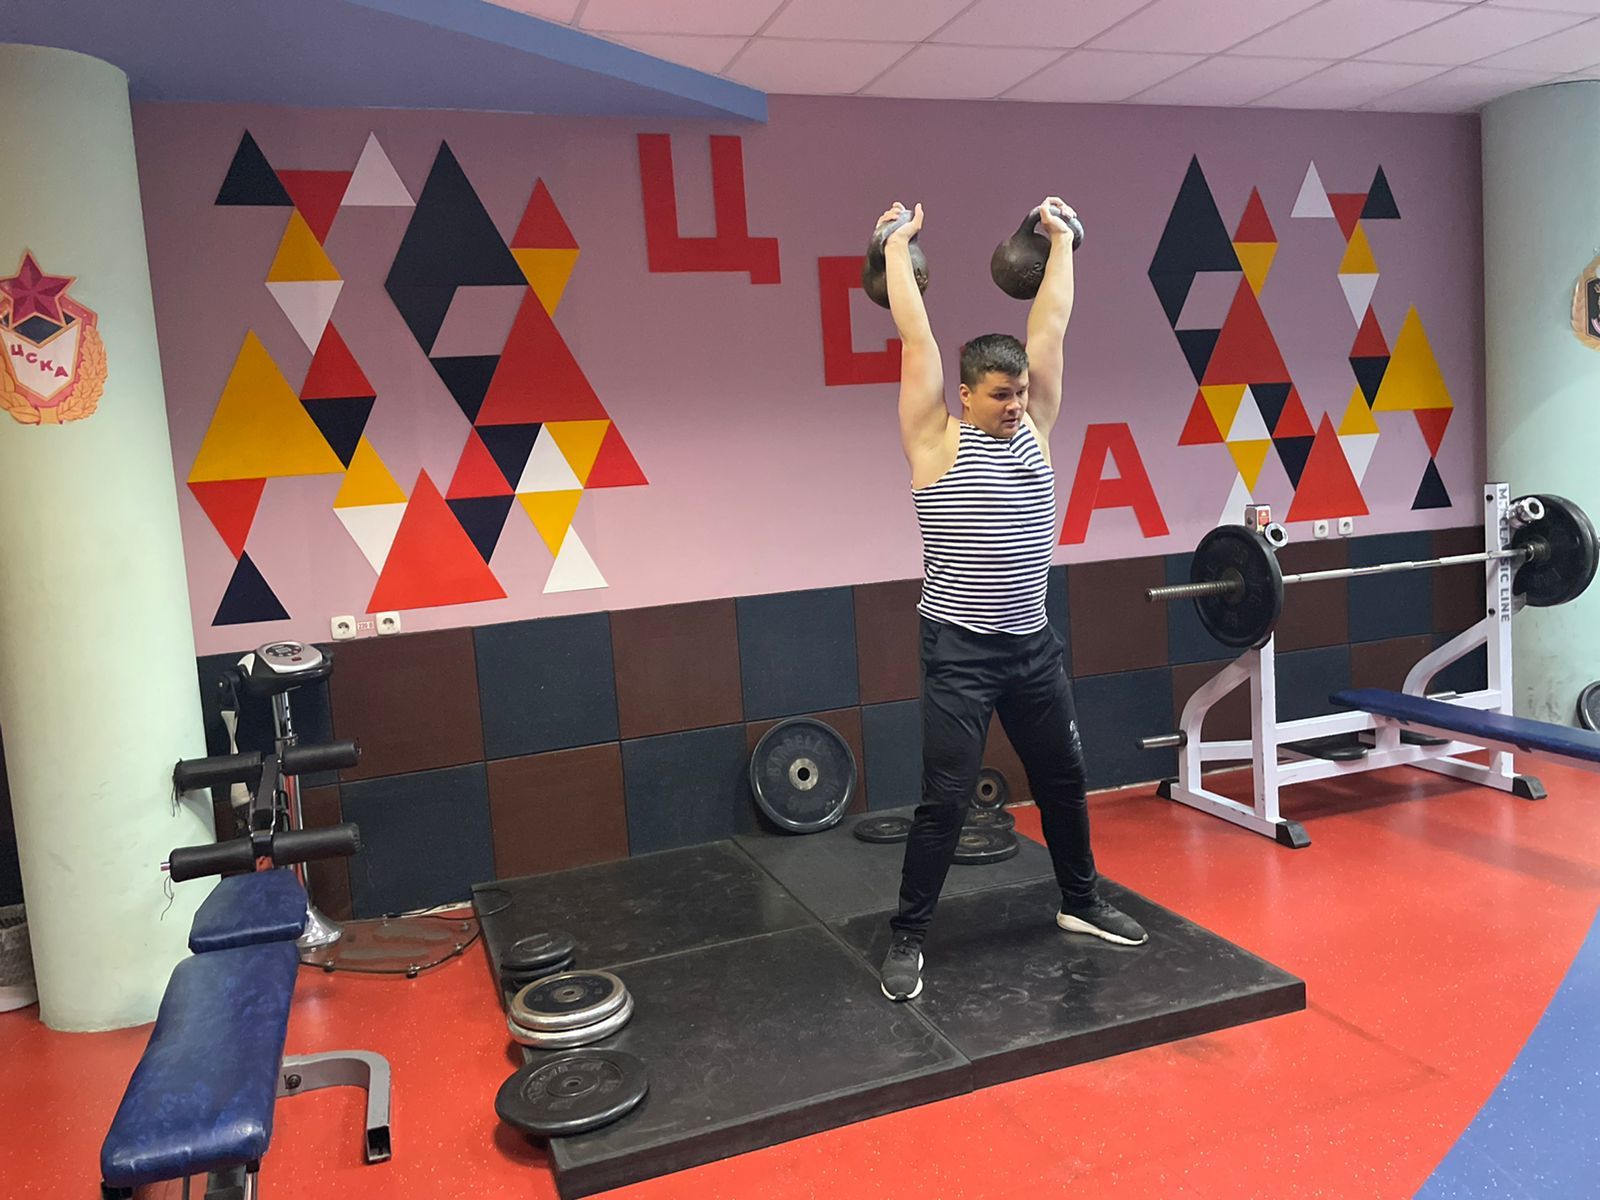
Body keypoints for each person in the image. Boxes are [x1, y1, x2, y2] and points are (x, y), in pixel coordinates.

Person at [874, 198, 1147, 1003]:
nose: (1017, 404)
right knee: (946, 800)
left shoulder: (1038, 429)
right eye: (1000, 395)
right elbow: (917, 338)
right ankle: (909, 936)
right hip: (959, 649)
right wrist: (896, 246)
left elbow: (1050, 325)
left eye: (1020, 391)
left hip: (1031, 645)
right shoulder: (934, 441)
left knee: (1063, 776)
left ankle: (1080, 901)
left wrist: (1060, 241)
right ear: (965, 396)